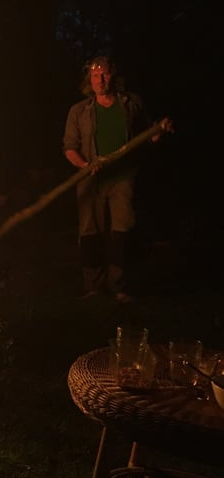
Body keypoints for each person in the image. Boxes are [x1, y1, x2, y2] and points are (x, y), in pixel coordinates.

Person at [62, 56, 171, 303]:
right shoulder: (79, 111)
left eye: (105, 74)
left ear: (113, 76)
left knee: (120, 231)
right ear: (89, 81)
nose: (100, 80)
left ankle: (118, 285)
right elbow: (69, 147)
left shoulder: (131, 104)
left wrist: (159, 131)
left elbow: (146, 135)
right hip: (90, 180)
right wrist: (85, 165)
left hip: (123, 178)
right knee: (90, 233)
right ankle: (93, 286)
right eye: (95, 75)